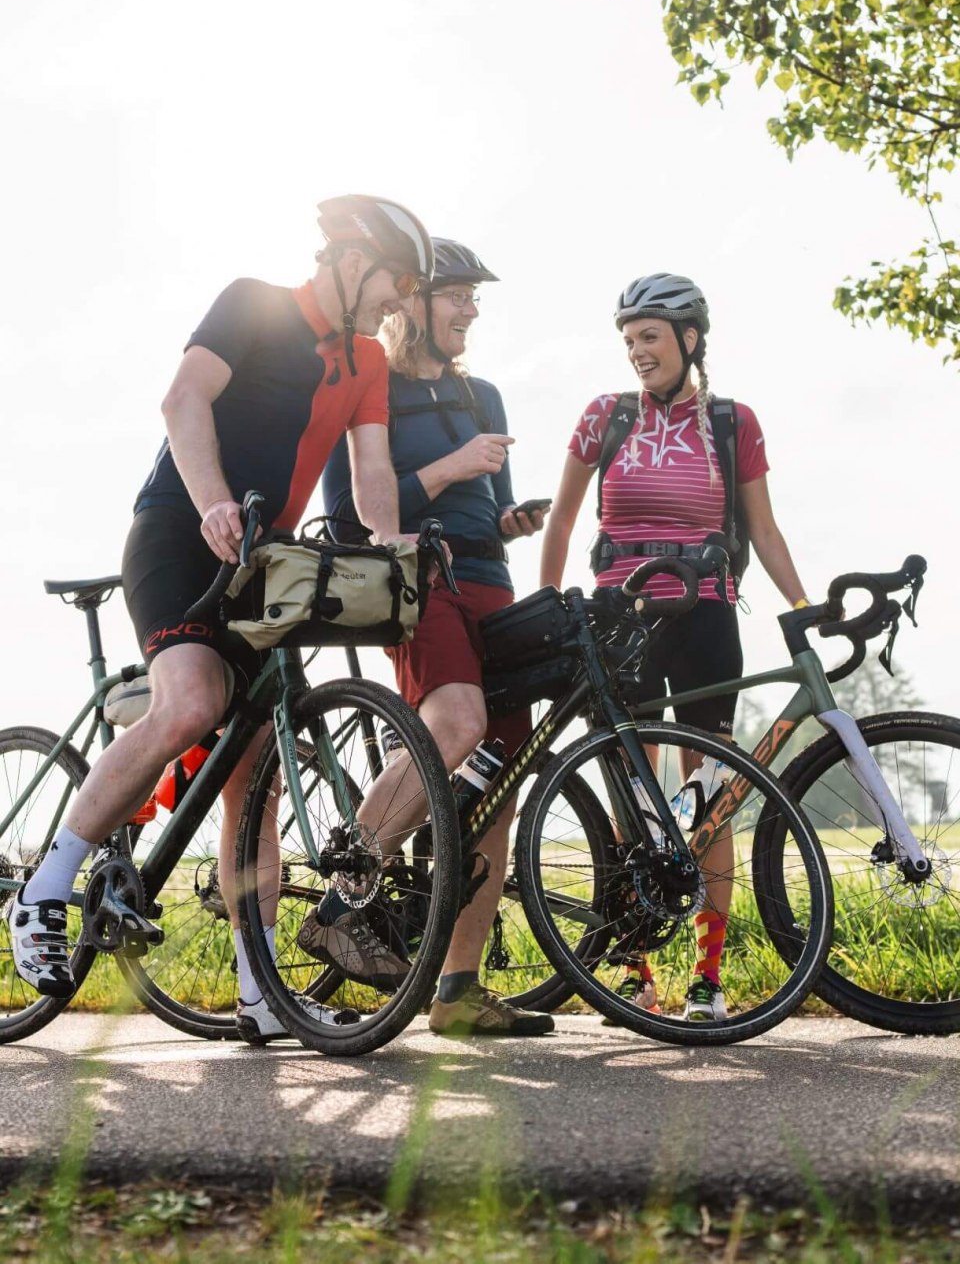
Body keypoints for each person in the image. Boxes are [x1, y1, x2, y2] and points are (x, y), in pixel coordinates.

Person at [12, 194, 434, 1044]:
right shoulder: (253, 302)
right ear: (351, 261)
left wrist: (392, 550)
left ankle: (259, 988)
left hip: (262, 562)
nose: (401, 301)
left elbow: (373, 470)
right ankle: (43, 887)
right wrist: (211, 504)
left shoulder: (365, 362)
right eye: (395, 279)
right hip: (179, 530)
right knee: (194, 699)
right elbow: (182, 401)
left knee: (257, 778)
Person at [539, 273, 808, 1022]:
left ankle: (708, 975)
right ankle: (634, 965)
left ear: (690, 340)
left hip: (706, 616)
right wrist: (554, 602)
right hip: (619, 618)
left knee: (710, 797)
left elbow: (766, 529)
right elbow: (560, 520)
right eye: (628, 340)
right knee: (630, 791)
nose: (636, 352)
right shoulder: (604, 417)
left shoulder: (732, 421)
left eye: (649, 336)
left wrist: (802, 605)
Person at [314, 238, 555, 1036]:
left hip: (492, 581)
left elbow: (491, 505)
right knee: (455, 723)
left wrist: (514, 519)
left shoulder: (483, 394)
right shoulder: (367, 383)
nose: (471, 311)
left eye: (475, 298)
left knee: (503, 777)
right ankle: (343, 898)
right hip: (419, 578)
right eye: (458, 295)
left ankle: (457, 989)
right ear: (412, 300)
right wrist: (452, 467)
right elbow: (352, 517)